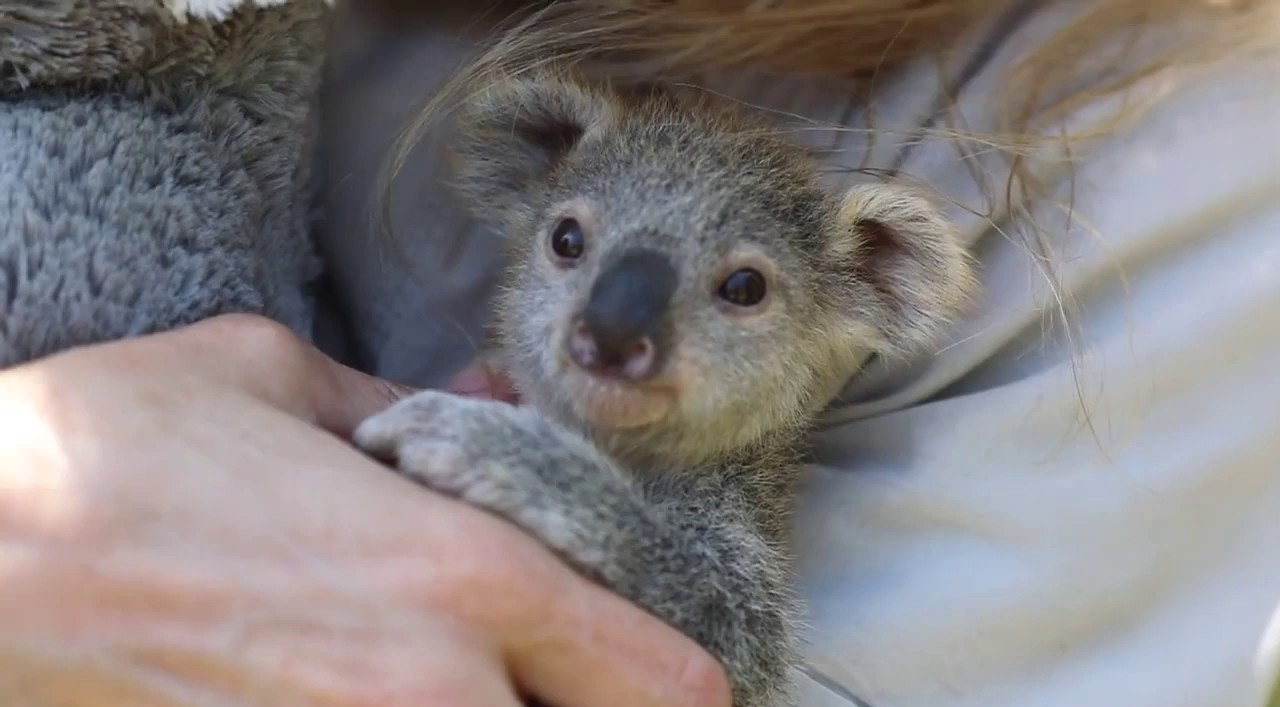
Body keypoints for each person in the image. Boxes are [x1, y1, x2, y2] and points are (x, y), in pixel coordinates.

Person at [5, 1, 1280, 706]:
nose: (612, 320)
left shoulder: (1182, 154)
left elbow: (726, 631)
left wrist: (537, 478)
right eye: (570, 242)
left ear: (868, 285)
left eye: (737, 288)